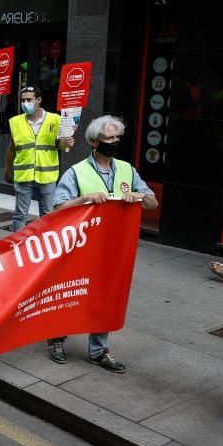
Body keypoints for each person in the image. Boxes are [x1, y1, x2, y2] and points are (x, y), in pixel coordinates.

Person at [47, 115, 158, 371]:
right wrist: (83, 199)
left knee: (106, 297)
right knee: (71, 293)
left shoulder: (127, 170)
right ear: (94, 142)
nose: (115, 141)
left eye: (117, 137)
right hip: (81, 247)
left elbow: (152, 202)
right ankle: (56, 339)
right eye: (109, 137)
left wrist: (139, 194)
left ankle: (99, 350)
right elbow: (57, 208)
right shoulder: (76, 172)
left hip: (113, 248)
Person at [4, 87, 73, 232]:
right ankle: (16, 248)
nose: (25, 103)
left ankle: (43, 249)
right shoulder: (15, 122)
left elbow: (59, 144)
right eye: (23, 100)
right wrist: (8, 169)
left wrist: (65, 143)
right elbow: (12, 147)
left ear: (39, 100)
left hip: (47, 176)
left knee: (47, 215)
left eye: (29, 99)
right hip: (23, 177)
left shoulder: (55, 119)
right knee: (19, 216)